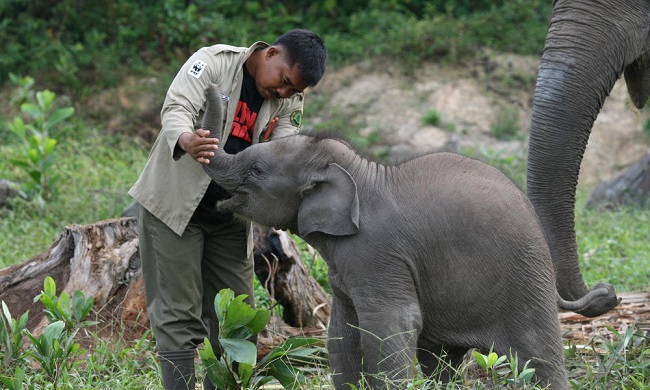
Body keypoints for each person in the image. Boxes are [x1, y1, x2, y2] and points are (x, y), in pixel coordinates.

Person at [128, 29, 327, 390]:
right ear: (271, 54)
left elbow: (283, 156)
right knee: (177, 314)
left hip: (232, 216)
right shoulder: (215, 62)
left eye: (293, 91)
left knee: (238, 319)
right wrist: (186, 138)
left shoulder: (288, 100)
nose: (284, 93)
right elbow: (176, 108)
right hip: (176, 208)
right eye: (283, 81)